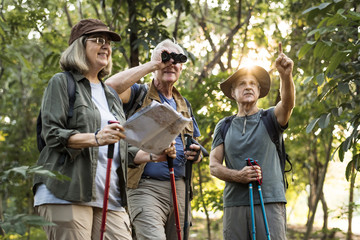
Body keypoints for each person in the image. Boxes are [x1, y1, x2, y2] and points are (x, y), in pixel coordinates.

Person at [32, 19, 175, 240]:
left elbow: (121, 146)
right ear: (79, 46)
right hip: (66, 193)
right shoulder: (62, 82)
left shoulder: (110, 96)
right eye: (98, 40)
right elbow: (51, 134)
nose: (106, 46)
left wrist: (154, 155)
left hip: (110, 198)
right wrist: (95, 137)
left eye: (108, 42)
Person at [106, 39, 202, 240]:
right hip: (145, 187)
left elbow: (193, 142)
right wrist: (154, 64)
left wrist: (197, 153)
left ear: (182, 67)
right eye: (166, 58)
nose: (171, 64)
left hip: (180, 188)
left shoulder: (184, 104)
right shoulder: (138, 93)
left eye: (177, 60)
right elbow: (110, 87)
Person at [209, 43, 295, 240]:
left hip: (269, 201)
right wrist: (238, 175)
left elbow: (288, 103)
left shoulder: (270, 117)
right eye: (241, 83)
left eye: (252, 83)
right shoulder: (224, 125)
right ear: (233, 93)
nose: (247, 86)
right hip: (234, 205)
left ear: (258, 90)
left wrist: (285, 75)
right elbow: (213, 166)